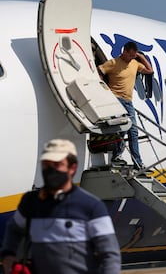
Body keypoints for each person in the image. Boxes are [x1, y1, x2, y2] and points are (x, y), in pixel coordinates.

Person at [0, 139, 121, 274]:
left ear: (72, 168)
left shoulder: (91, 206)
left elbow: (109, 254)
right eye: (46, 165)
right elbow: (14, 229)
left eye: (57, 165)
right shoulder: (30, 202)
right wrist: (8, 254)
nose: (50, 170)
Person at [99, 41, 153, 170]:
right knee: (123, 128)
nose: (131, 58)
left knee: (133, 131)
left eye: (134, 56)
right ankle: (117, 155)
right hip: (116, 99)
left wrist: (141, 57)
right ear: (124, 51)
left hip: (128, 101)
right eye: (130, 55)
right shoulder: (113, 63)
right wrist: (102, 86)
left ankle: (137, 162)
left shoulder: (134, 63)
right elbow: (99, 70)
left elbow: (149, 71)